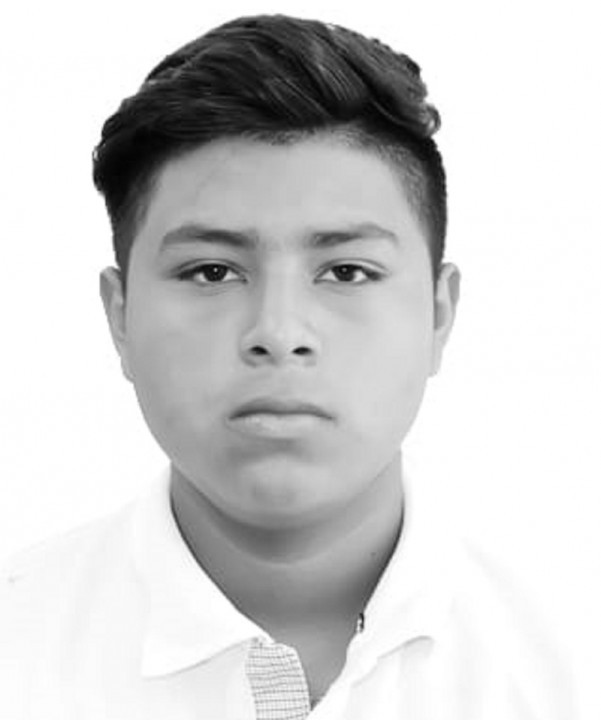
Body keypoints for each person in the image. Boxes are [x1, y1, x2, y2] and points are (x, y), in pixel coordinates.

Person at [0, 13, 573, 719]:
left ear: (437, 313)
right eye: (211, 272)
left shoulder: (573, 665)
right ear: (121, 316)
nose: (277, 333)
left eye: (346, 271)